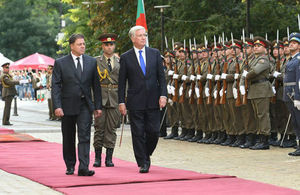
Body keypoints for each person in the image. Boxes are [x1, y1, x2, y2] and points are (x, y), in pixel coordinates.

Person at [51, 34, 102, 176]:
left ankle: (84, 167)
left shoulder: (91, 62)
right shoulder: (61, 63)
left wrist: (98, 106)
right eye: (79, 44)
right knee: (68, 136)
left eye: (84, 44)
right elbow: (55, 86)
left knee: (85, 135)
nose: (83, 46)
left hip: (84, 105)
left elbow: (96, 86)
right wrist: (57, 106)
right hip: (67, 106)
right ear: (71, 46)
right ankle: (70, 165)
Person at [118, 26, 167, 173]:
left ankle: (147, 153)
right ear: (133, 38)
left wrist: (163, 95)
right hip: (135, 101)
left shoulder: (155, 53)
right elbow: (122, 82)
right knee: (138, 132)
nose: (143, 38)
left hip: (153, 99)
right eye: (139, 36)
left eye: (144, 35)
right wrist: (121, 101)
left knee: (153, 131)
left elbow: (161, 78)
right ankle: (143, 162)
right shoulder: (126, 57)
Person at [93, 33, 121, 167]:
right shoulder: (96, 61)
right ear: (102, 46)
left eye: (111, 44)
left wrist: (124, 100)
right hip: (100, 98)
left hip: (115, 98)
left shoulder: (121, 62)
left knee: (112, 128)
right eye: (106, 45)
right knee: (99, 128)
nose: (109, 47)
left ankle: (109, 158)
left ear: (114, 46)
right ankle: (97, 157)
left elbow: (125, 82)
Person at [283, 32, 300, 156]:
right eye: (290, 43)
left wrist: (298, 97)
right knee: (295, 121)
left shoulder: (298, 60)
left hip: (295, 94)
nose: (291, 45)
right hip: (289, 94)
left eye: (294, 43)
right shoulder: (291, 60)